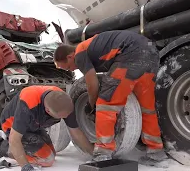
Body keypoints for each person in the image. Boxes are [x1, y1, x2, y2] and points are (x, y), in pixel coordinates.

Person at [53, 30, 168, 164]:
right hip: (150, 54)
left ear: (70, 56)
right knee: (147, 108)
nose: (71, 70)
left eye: (68, 67)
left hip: (131, 56)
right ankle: (156, 152)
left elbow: (92, 83)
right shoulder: (92, 46)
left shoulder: (80, 52)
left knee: (106, 105)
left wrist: (91, 105)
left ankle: (103, 152)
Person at [0, 85, 93, 171]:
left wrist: (94, 154)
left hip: (33, 125)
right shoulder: (28, 105)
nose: (66, 118)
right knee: (47, 158)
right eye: (62, 117)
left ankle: (11, 144)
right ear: (48, 111)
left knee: (51, 153)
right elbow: (15, 139)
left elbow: (76, 132)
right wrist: (25, 166)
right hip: (11, 125)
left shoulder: (63, 102)